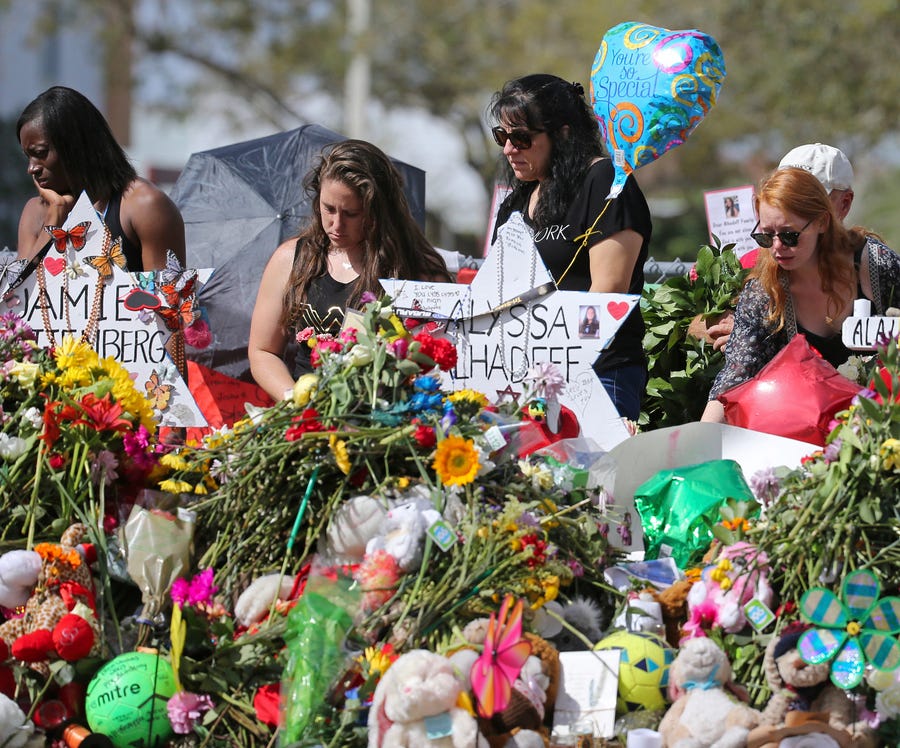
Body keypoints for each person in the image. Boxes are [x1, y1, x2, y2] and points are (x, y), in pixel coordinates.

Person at [488, 74, 652, 421]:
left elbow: (608, 291)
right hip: (523, 377)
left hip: (597, 373)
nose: (508, 149)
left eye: (521, 137)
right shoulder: (514, 202)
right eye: (502, 135)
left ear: (563, 133)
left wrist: (561, 361)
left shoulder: (606, 181)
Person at [248, 139, 450, 401]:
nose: (336, 224)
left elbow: (438, 358)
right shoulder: (291, 258)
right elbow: (263, 351)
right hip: (306, 420)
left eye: (352, 213)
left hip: (385, 421)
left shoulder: (418, 269)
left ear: (378, 211)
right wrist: (293, 399)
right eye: (328, 209)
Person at [701, 167, 900, 423]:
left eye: (789, 235)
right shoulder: (764, 292)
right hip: (806, 427)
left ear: (822, 222)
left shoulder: (876, 263)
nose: (777, 248)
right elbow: (735, 379)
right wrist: (700, 445)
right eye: (765, 236)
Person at [16, 86, 185, 271]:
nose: (31, 168)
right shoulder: (36, 211)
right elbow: (17, 295)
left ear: (76, 147)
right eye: (28, 156)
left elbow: (165, 296)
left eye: (40, 153)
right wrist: (54, 216)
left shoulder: (144, 205)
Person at [708, 143, 856, 350]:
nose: (798, 206)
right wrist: (742, 334)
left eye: (812, 199)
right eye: (790, 195)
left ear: (845, 203)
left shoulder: (873, 262)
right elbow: (695, 322)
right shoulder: (753, 261)